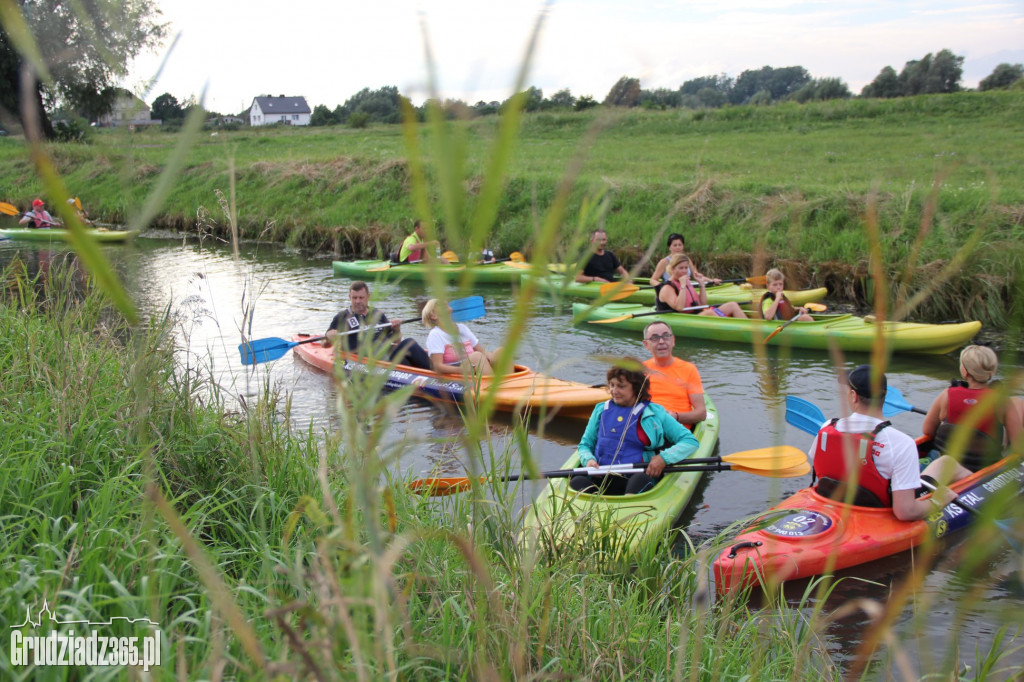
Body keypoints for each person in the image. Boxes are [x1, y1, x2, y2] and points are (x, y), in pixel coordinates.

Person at [808, 364, 956, 521]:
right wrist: (939, 501)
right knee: (948, 462)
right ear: (884, 396)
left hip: (831, 505)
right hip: (875, 514)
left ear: (853, 396)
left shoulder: (827, 427)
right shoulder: (902, 443)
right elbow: (906, 512)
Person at [571, 361, 700, 496]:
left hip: (637, 476)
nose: (614, 391)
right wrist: (588, 460)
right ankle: (593, 506)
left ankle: (626, 508)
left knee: (639, 481)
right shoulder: (600, 410)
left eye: (621, 386)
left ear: (636, 388)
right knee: (576, 482)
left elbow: (690, 441)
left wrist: (663, 459)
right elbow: (585, 445)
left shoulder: (654, 413)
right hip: (601, 475)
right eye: (612, 385)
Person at [919, 345, 1020, 482]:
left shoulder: (946, 395)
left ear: (965, 372)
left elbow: (928, 431)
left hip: (942, 464)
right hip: (979, 471)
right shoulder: (1003, 402)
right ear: (992, 371)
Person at [322, 281, 431, 370]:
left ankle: (434, 370)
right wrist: (329, 337)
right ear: (349, 297)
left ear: (368, 297)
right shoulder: (342, 317)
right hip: (364, 360)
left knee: (409, 342)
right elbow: (324, 345)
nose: (358, 301)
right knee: (375, 344)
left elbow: (395, 341)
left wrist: (397, 329)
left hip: (386, 357)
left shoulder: (378, 314)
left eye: (361, 297)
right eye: (354, 298)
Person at [641, 321, 706, 429]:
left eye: (666, 336)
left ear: (673, 340)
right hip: (648, 427)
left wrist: (675, 416)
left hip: (677, 430)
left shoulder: (688, 369)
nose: (661, 341)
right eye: (655, 338)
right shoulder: (640, 371)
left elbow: (701, 413)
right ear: (646, 344)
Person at [422, 298, 501, 376]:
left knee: (500, 351)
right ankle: (493, 386)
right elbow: (438, 367)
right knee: (477, 356)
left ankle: (508, 382)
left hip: (473, 366)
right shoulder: (435, 334)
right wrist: (462, 370)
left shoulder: (462, 328)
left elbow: (481, 351)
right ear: (434, 316)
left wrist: (491, 357)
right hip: (457, 369)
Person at [656, 254, 748, 319]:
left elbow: (702, 304)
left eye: (686, 268)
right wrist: (683, 286)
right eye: (681, 268)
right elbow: (679, 307)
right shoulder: (667, 288)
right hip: (683, 318)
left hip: (696, 315)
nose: (684, 271)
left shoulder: (685, 282)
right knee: (709, 313)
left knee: (732, 305)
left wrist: (701, 284)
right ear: (672, 269)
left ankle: (749, 328)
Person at [649, 233, 718, 286]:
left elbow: (696, 275)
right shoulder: (664, 262)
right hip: (671, 289)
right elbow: (653, 280)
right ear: (669, 247)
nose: (678, 247)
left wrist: (711, 281)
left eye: (680, 245)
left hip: (685, 287)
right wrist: (662, 287)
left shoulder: (686, 259)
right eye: (675, 245)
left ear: (683, 246)